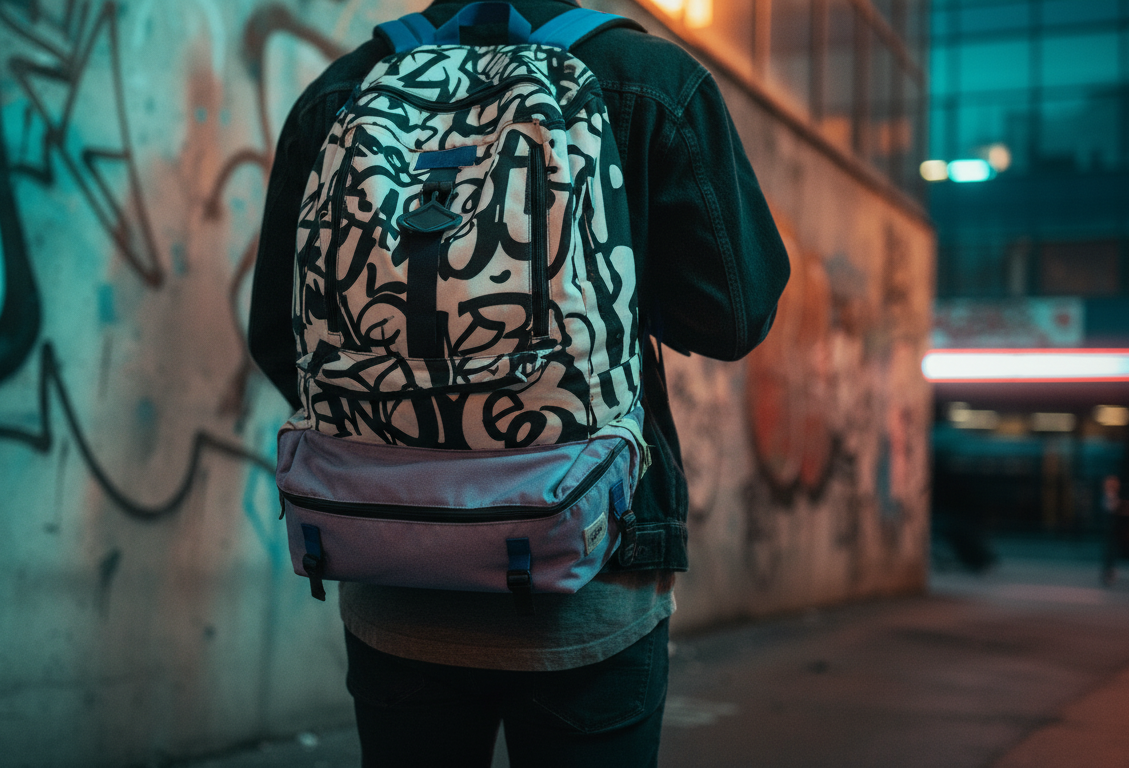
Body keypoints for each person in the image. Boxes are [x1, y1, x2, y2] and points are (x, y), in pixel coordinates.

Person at [248, 0, 790, 765]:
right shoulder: (650, 80)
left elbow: (280, 336)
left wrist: (409, 437)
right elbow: (735, 316)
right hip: (591, 570)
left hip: (393, 570)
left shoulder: (344, 90)